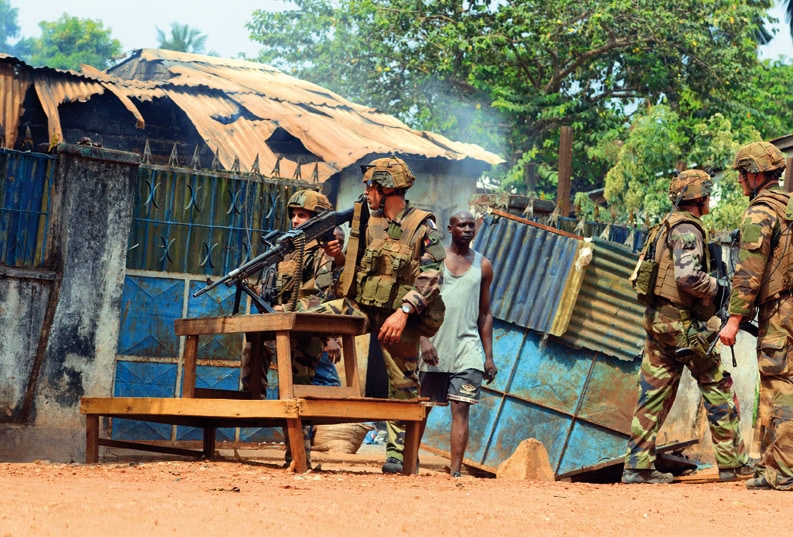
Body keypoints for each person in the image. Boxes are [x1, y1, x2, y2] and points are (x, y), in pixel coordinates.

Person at [622, 169, 752, 485]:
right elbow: (687, 278)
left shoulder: (665, 226)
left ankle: (636, 468)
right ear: (699, 197)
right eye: (708, 193)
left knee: (653, 392)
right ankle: (733, 464)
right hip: (680, 324)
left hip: (659, 321)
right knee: (717, 384)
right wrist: (721, 289)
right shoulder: (687, 231)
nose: (711, 198)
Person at [355, 156, 446, 474]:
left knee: (403, 386)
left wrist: (404, 312)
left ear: (386, 187)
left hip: (401, 317)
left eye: (370, 185)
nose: (366, 192)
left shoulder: (422, 224)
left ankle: (400, 455)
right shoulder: (369, 223)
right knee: (307, 323)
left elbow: (434, 273)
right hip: (367, 307)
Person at [243, 189, 345, 468]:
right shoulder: (285, 249)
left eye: (303, 215)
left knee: (297, 393)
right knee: (252, 360)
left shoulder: (325, 251)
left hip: (304, 332)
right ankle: (253, 404)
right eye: (294, 215)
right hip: (275, 326)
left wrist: (287, 309)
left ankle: (299, 458)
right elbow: (270, 288)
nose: (296, 220)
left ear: (318, 219)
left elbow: (322, 296)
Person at [719, 141, 793, 491]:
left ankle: (783, 472)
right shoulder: (788, 207)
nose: (739, 180)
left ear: (758, 175)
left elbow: (750, 271)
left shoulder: (759, 213)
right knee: (774, 383)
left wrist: (733, 320)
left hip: (781, 309)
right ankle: (772, 465)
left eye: (742, 174)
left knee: (780, 386)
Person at [418, 210, 496, 478]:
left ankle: (455, 473)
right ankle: (410, 465)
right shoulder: (433, 261)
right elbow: (416, 301)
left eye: (471, 225)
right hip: (434, 349)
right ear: (449, 229)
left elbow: (485, 313)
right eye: (461, 225)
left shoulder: (483, 266)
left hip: (467, 349)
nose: (467, 229)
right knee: (423, 408)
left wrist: (488, 357)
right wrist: (423, 339)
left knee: (461, 408)